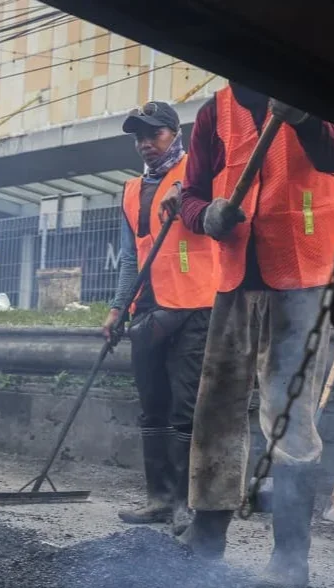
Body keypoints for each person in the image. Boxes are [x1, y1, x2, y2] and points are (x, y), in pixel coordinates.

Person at [178, 83, 334, 586]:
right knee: (216, 411)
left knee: (289, 416)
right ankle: (207, 533)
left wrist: (303, 117)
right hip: (235, 279)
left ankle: (290, 557)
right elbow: (191, 194)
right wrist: (206, 215)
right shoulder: (217, 110)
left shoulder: (310, 88)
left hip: (300, 280)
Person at [104, 102, 217, 536]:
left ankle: (189, 505)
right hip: (148, 309)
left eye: (155, 134)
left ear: (176, 133)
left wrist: (190, 193)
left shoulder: (200, 174)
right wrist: (117, 307)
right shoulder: (132, 190)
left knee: (185, 410)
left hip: (194, 305)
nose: (145, 144)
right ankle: (160, 500)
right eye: (139, 137)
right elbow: (131, 255)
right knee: (152, 407)